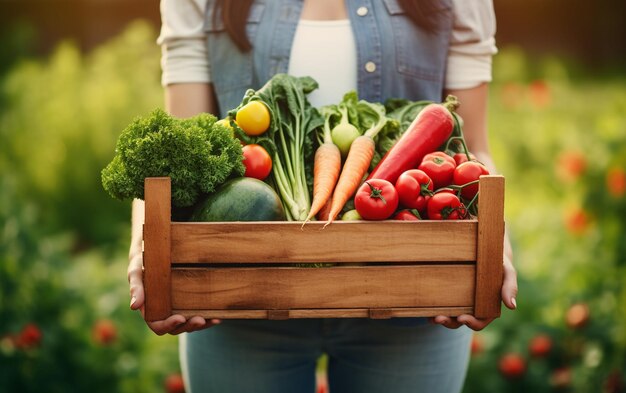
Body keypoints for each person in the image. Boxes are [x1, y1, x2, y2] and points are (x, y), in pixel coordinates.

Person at [127, 0, 518, 392]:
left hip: (410, 291)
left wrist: (491, 242)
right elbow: (180, 155)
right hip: (240, 292)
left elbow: (472, 151)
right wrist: (148, 244)